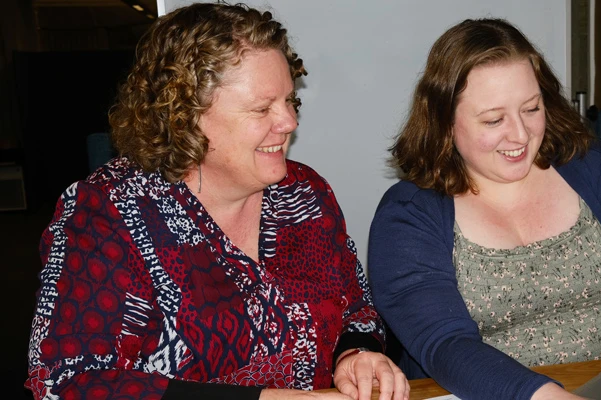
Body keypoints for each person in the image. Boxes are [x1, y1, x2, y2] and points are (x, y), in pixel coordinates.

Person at [25, 3, 408, 400]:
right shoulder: (107, 213)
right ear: (184, 116)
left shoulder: (304, 194)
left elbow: (356, 307)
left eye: (291, 101)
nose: (290, 122)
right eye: (262, 108)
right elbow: (67, 382)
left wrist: (357, 352)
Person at [368, 18, 601, 400]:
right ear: (445, 122)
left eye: (531, 109)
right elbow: (446, 345)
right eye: (494, 119)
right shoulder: (407, 216)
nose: (520, 135)